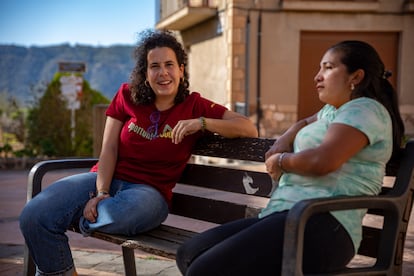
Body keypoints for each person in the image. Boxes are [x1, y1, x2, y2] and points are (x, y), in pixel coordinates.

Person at [19, 29, 258, 276]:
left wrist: (201, 123)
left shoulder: (195, 105)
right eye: (154, 66)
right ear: (145, 73)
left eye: (169, 65)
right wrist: (101, 193)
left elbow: (247, 127)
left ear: (181, 70)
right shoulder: (126, 96)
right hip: (103, 182)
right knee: (33, 216)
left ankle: (75, 216)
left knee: (122, 213)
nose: (163, 72)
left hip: (147, 196)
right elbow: (109, 148)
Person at [175, 40, 405, 275]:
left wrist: (281, 160)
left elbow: (322, 161)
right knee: (189, 254)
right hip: (289, 216)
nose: (317, 76)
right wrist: (285, 138)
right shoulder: (332, 111)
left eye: (327, 67)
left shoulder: (365, 110)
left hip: (323, 223)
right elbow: (305, 122)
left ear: (355, 77)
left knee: (205, 269)